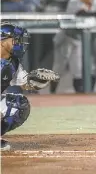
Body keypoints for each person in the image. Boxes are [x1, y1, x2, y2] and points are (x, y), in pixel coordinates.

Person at [1, 22, 57, 151]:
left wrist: (38, 81)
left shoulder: (12, 62)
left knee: (19, 105)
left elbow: (26, 83)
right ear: (2, 41)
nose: (19, 43)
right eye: (15, 40)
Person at [52, 0, 96, 93]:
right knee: (58, 69)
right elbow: (81, 14)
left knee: (78, 70)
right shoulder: (74, 1)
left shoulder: (95, 6)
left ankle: (80, 98)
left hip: (78, 39)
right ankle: (51, 94)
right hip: (65, 38)